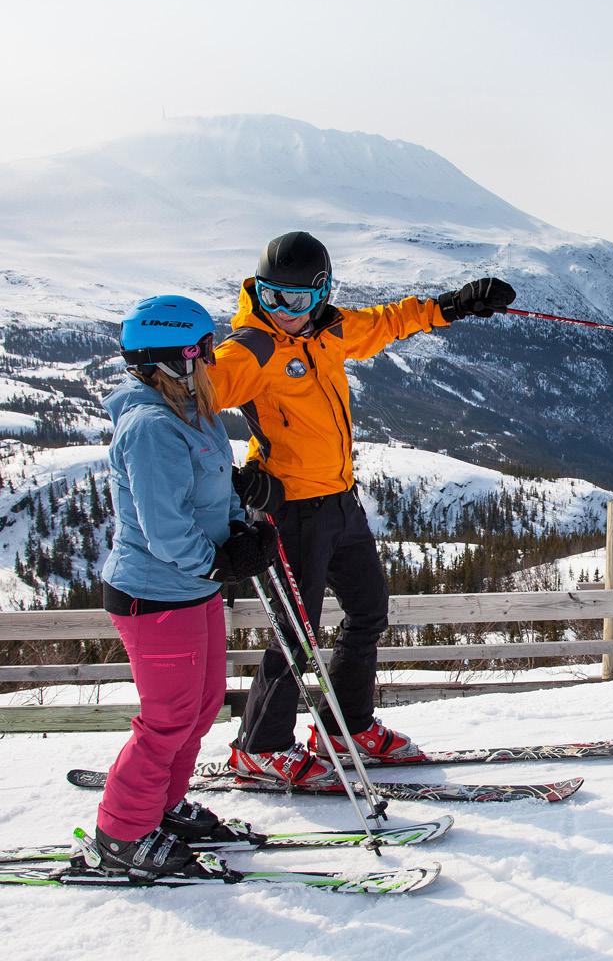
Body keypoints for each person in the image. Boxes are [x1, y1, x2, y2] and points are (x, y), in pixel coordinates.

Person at [208, 231, 515, 787]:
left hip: (340, 503)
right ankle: (259, 747)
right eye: (273, 298)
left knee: (369, 611)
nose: (285, 312)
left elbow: (389, 321)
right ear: (259, 293)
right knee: (296, 634)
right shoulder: (250, 350)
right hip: (290, 510)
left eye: (298, 300)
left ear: (322, 294)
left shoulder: (330, 331)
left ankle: (345, 728)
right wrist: (231, 480)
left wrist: (456, 305)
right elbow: (181, 403)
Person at [95, 295, 278, 877]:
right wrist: (223, 563)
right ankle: (121, 835)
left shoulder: (192, 411)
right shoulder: (150, 427)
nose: (208, 360)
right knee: (168, 719)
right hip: (155, 594)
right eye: (198, 350)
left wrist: (238, 518)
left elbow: (207, 496)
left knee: (198, 711)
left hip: (192, 589)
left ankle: (163, 807)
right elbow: (165, 529)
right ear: (168, 358)